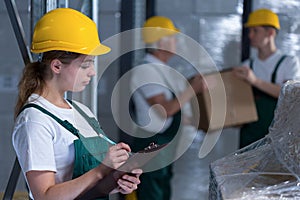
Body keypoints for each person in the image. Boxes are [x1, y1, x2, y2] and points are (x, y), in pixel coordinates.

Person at [12, 8, 142, 200]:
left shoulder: (81, 111)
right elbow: (46, 196)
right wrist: (101, 171)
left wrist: (117, 182)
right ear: (56, 66)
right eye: (85, 64)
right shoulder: (35, 121)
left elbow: (87, 187)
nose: (92, 72)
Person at [129, 16, 207, 200]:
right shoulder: (147, 71)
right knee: (152, 192)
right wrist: (192, 89)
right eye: (172, 37)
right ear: (160, 41)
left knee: (161, 189)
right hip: (151, 145)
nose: (176, 42)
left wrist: (194, 121)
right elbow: (165, 110)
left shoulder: (160, 70)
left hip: (162, 145)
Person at [233, 8, 300, 148]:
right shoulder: (246, 66)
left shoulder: (289, 63)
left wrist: (255, 81)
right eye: (249, 31)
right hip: (250, 138)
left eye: (255, 31)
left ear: (270, 33)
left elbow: (291, 95)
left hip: (280, 140)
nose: (250, 35)